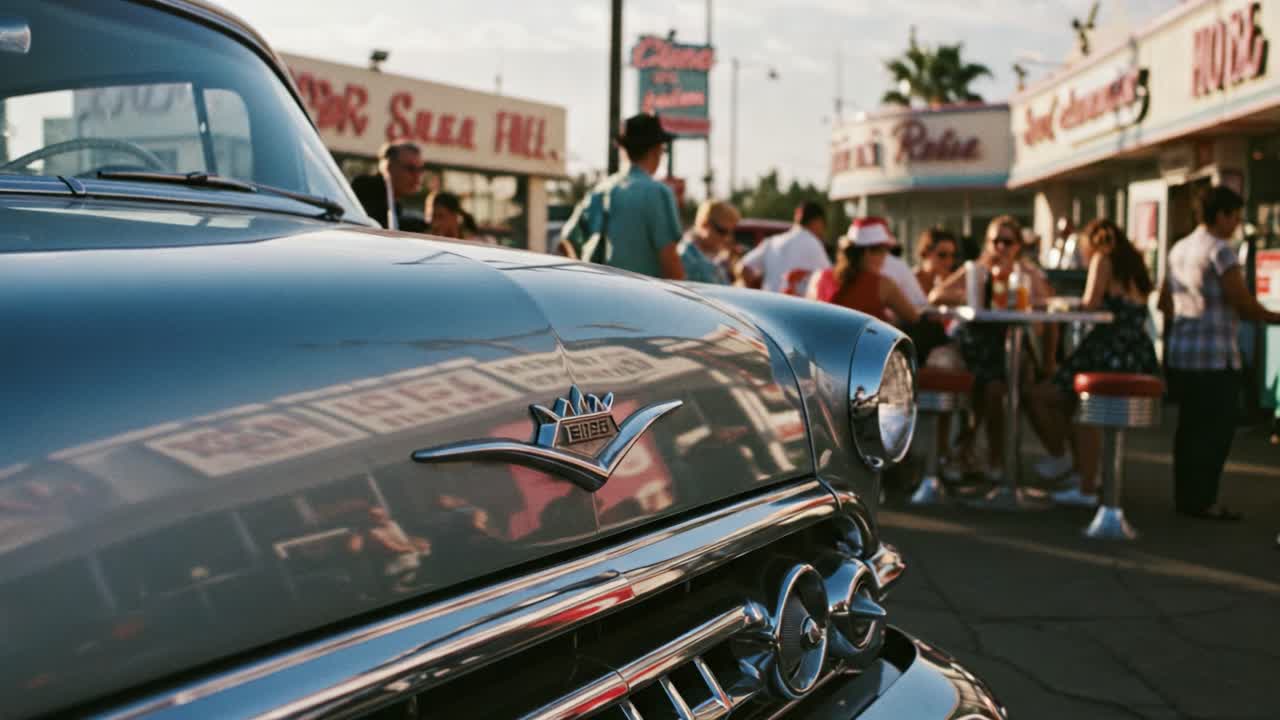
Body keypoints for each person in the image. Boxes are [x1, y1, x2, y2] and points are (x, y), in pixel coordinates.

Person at [1159, 185, 1280, 521]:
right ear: (1222, 215)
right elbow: (1241, 300)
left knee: (1189, 428)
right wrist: (1273, 317)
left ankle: (1185, 497)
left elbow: (1163, 301)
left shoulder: (1178, 249)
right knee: (1215, 431)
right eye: (1235, 217)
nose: (1238, 224)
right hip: (1215, 355)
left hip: (1182, 352)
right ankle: (1205, 500)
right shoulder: (1221, 251)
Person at [1023, 219, 1158, 506]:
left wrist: (1062, 304)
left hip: (1109, 348)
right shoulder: (1133, 264)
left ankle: (1081, 478)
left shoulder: (1102, 259)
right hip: (1135, 351)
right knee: (1069, 399)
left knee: (1062, 399)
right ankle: (1083, 471)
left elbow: (1090, 303)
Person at [929, 216, 1054, 481]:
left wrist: (1026, 289)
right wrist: (970, 295)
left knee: (995, 391)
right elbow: (936, 295)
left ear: (1018, 245)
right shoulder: (976, 269)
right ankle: (953, 455)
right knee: (951, 376)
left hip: (1009, 342)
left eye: (1007, 241)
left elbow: (1046, 306)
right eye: (995, 241)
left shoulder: (1026, 272)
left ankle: (993, 460)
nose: (1000, 247)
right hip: (972, 342)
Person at [558, 113, 685, 280]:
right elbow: (669, 259)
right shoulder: (658, 193)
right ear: (656, 151)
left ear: (624, 150)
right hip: (644, 299)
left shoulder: (600, 190)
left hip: (599, 295)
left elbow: (567, 238)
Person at [806, 217, 921, 325]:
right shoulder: (883, 284)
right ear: (867, 253)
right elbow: (913, 317)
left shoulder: (819, 277)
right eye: (882, 251)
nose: (885, 258)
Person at [738, 201, 831, 294]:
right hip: (794, 307)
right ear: (818, 222)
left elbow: (742, 267)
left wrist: (754, 292)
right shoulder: (814, 244)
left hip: (766, 304)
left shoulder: (772, 242)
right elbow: (830, 280)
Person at [350, 142, 427, 231]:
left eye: (420, 170)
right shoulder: (366, 189)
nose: (417, 176)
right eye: (410, 169)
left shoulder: (395, 204)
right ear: (388, 166)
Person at [678, 200, 739, 284]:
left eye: (731, 232)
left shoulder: (716, 257)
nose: (727, 238)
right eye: (722, 231)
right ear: (705, 224)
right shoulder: (685, 256)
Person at [914, 227, 960, 296]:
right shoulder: (911, 280)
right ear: (926, 253)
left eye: (953, 255)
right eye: (942, 255)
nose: (949, 261)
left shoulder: (948, 280)